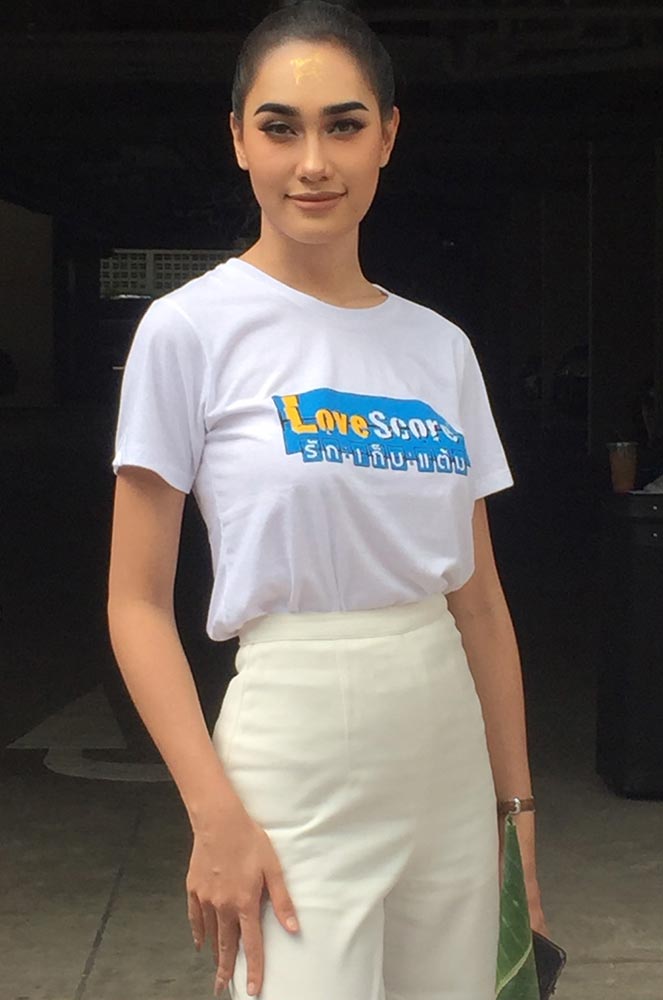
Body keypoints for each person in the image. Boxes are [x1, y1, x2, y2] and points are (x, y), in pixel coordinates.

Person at [107, 1, 550, 997]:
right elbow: (134, 601)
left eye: (344, 126)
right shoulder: (189, 331)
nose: (313, 162)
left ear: (386, 136)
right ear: (239, 140)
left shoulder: (439, 349)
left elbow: (480, 604)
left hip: (443, 751)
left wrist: (517, 815)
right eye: (281, 128)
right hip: (293, 751)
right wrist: (213, 815)